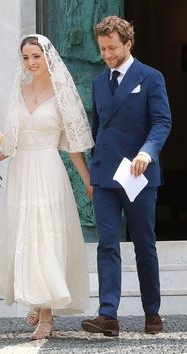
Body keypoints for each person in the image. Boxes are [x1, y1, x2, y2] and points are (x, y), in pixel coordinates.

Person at [0, 34, 94, 340]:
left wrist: (87, 180)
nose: (31, 63)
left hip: (47, 170)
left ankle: (46, 315)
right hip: (21, 171)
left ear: (48, 57)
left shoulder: (61, 94)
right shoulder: (18, 91)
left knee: (45, 236)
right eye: (26, 57)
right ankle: (35, 296)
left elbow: (73, 145)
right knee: (25, 234)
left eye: (36, 56)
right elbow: (12, 140)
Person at [81, 16, 172, 337]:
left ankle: (152, 312)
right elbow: (97, 131)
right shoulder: (96, 83)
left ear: (128, 43)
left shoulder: (150, 77)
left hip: (139, 174)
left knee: (144, 244)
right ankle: (108, 314)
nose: (106, 54)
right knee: (107, 244)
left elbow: (162, 121)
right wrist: (93, 173)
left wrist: (147, 153)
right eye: (102, 48)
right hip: (106, 175)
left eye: (112, 48)